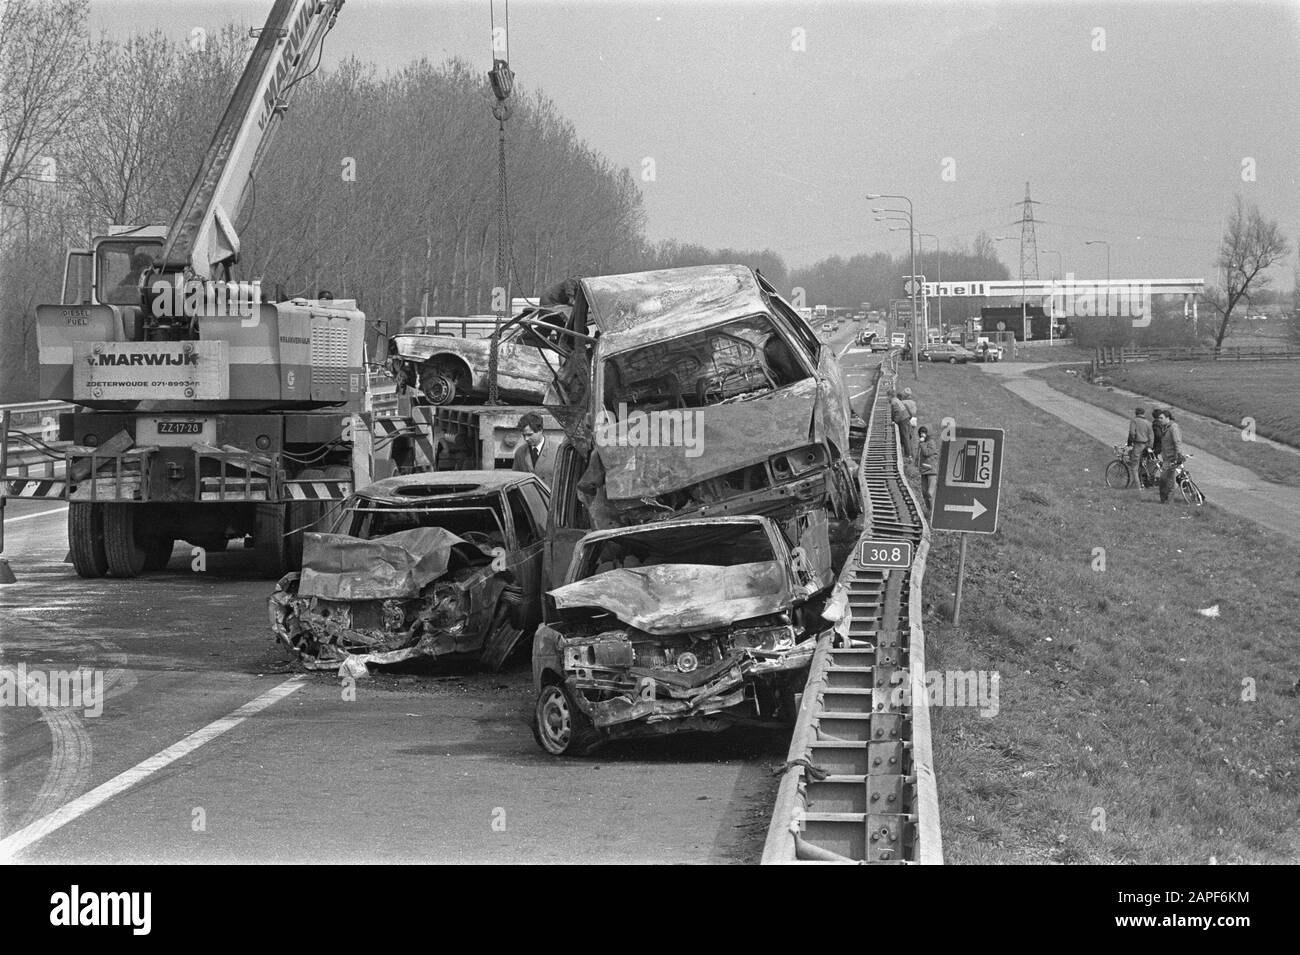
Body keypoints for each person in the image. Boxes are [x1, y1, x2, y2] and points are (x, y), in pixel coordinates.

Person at [512, 412, 557, 487]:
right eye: (524, 435)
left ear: (540, 430)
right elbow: (514, 481)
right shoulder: (520, 453)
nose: (526, 439)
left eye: (530, 435)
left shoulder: (557, 451)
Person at [1152, 408, 1185, 503]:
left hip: (1172, 459)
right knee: (1164, 480)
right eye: (1158, 418)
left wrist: (1179, 455)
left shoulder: (1173, 427)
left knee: (1167, 480)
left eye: (1161, 418)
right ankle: (1164, 500)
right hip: (1166, 458)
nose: (1159, 419)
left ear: (1167, 418)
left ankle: (1168, 501)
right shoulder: (1165, 428)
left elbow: (1177, 442)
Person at [1125, 406, 1153, 488]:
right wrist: (1149, 446)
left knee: (1134, 467)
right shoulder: (1149, 423)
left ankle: (1138, 488)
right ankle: (1139, 483)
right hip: (1146, 446)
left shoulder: (1134, 421)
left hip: (1138, 445)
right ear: (1143, 413)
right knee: (1142, 465)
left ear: (1136, 413)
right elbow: (1151, 437)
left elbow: (1131, 433)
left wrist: (1130, 443)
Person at [916, 425, 938, 514]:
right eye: (921, 432)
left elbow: (927, 453)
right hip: (924, 470)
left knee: (929, 493)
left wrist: (921, 444)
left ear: (927, 433)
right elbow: (919, 454)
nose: (922, 434)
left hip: (931, 471)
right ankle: (929, 511)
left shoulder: (931, 442)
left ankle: (933, 512)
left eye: (924, 432)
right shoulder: (923, 443)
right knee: (924, 492)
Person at [900, 388, 919, 464]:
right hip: (913, 420)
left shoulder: (903, 402)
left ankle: (908, 455)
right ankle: (912, 454)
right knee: (911, 437)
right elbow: (915, 412)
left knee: (905, 437)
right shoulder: (913, 402)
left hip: (906, 420)